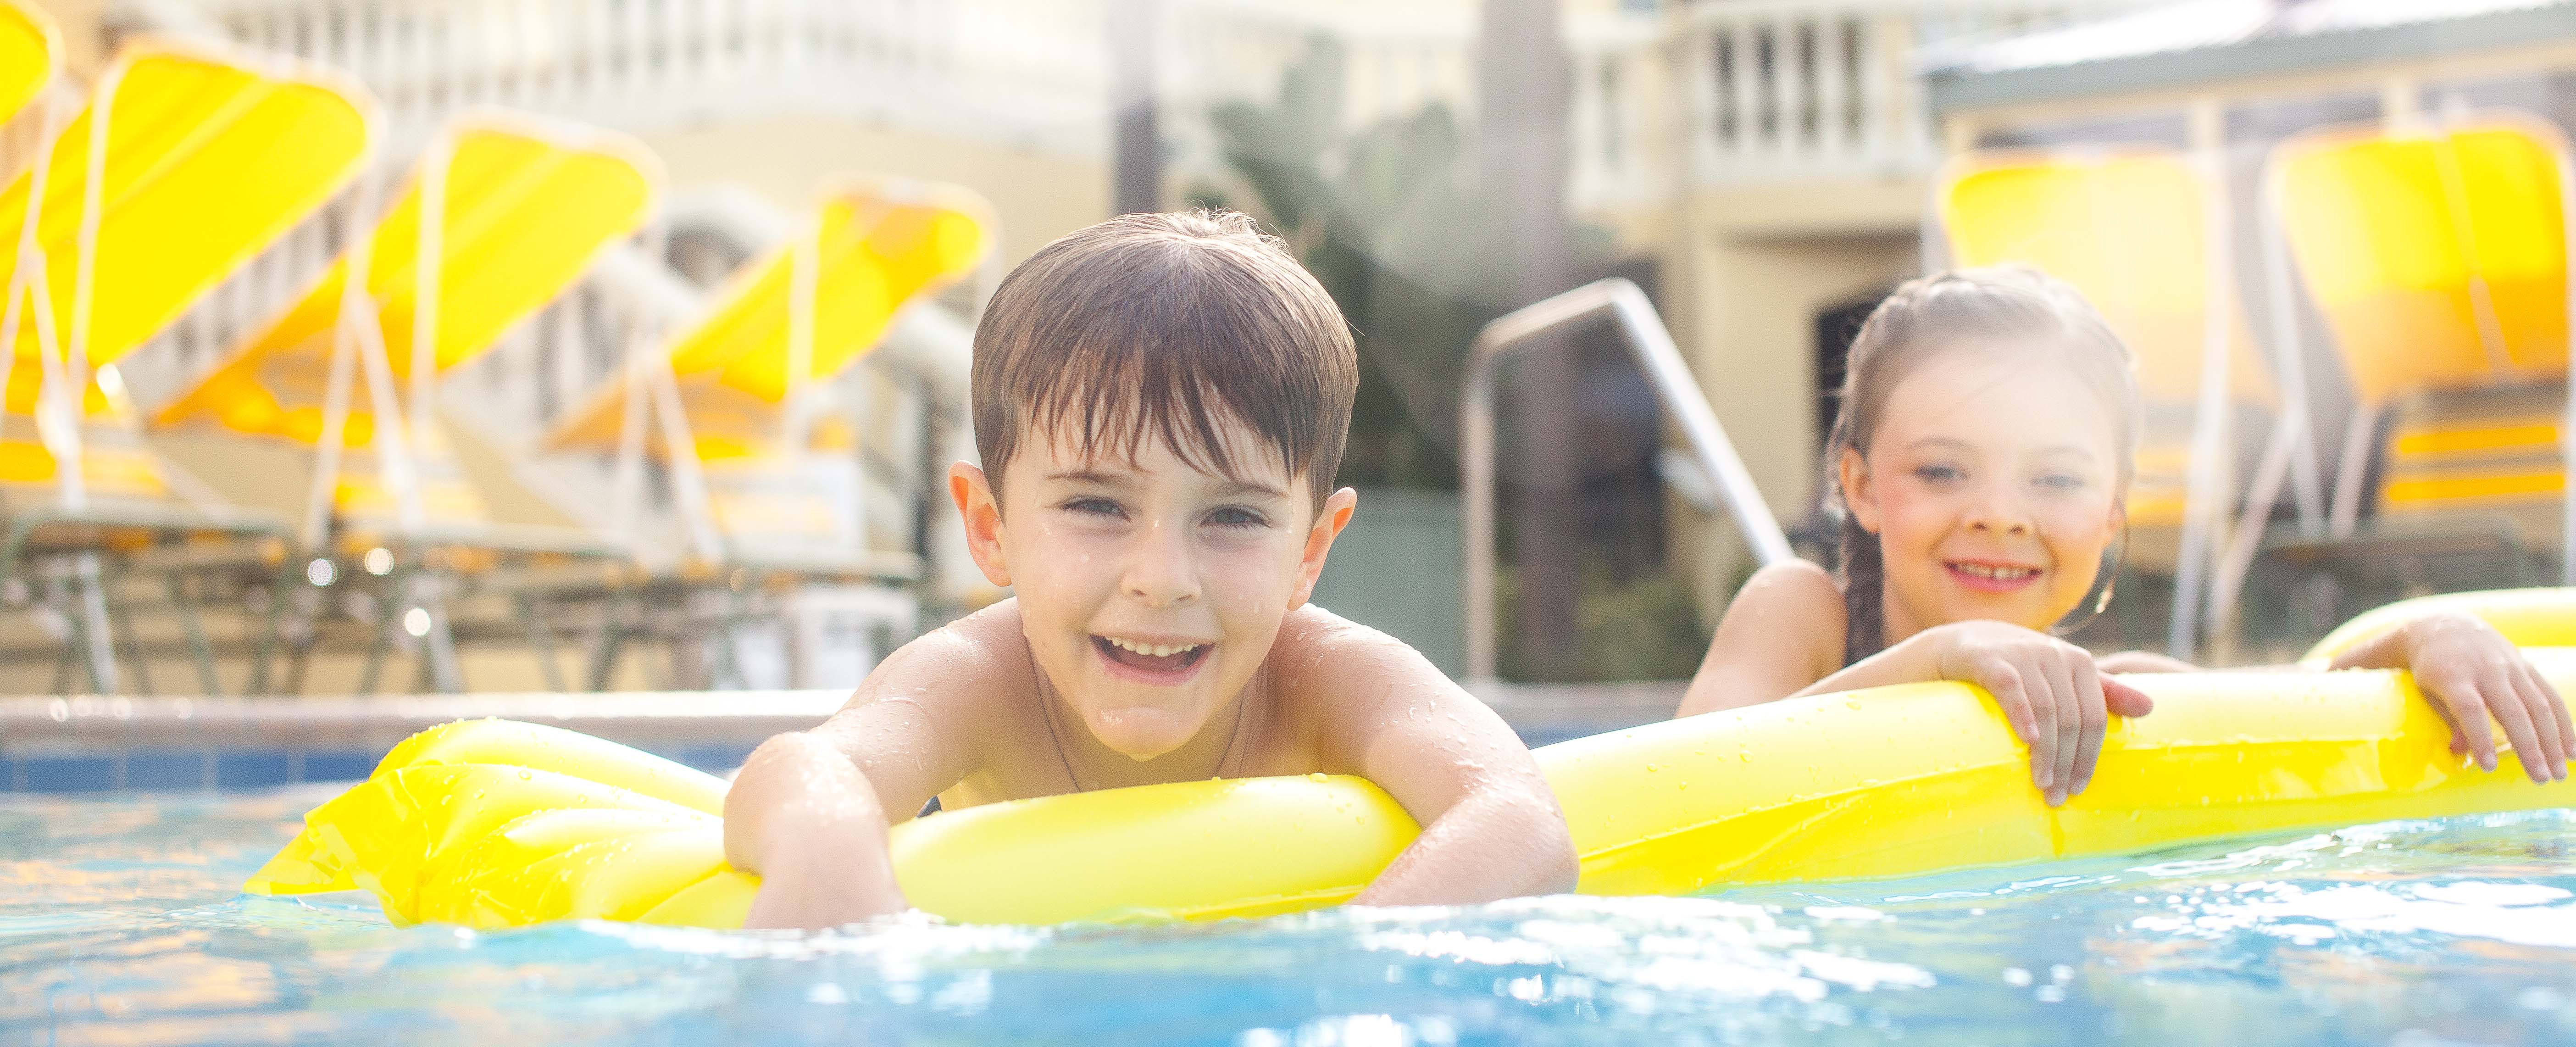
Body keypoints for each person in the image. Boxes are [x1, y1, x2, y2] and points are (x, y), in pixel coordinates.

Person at [725, 210, 1577, 929]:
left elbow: (1520, 822)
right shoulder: (979, 680)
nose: (1161, 577)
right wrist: (828, 851)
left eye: (1234, 516)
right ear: (991, 526)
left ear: (1311, 549)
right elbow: (808, 768)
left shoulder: (1328, 677)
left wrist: (1335, 967)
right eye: (1097, 506)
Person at [1675, 267, 2574, 804]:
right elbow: (1687, 770)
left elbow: (2301, 729)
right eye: (1944, 470)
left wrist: (2424, 634)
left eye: (2057, 478)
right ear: (1861, 486)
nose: (2001, 513)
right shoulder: (1802, 611)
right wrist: (1940, 654)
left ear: (2113, 512)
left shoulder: (2119, 699)